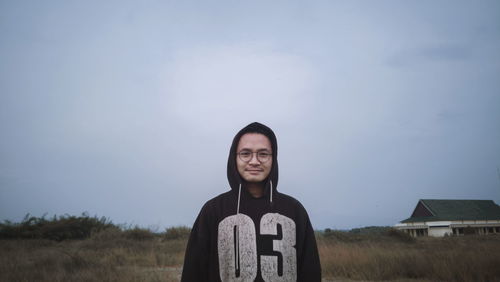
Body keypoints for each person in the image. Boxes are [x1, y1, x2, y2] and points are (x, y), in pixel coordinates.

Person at [181, 122, 321, 282]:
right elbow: (194, 272)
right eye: (245, 153)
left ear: (273, 159)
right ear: (234, 158)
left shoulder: (294, 210)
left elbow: (310, 270)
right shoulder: (212, 210)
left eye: (263, 154)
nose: (254, 161)